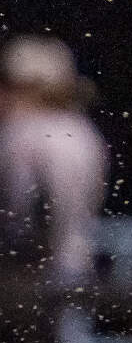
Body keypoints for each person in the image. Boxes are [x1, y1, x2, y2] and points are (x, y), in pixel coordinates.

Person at [0, 35, 108, 284]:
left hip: (25, 273)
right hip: (74, 267)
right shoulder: (82, 130)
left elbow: (24, 214)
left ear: (26, 86)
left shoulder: (21, 132)